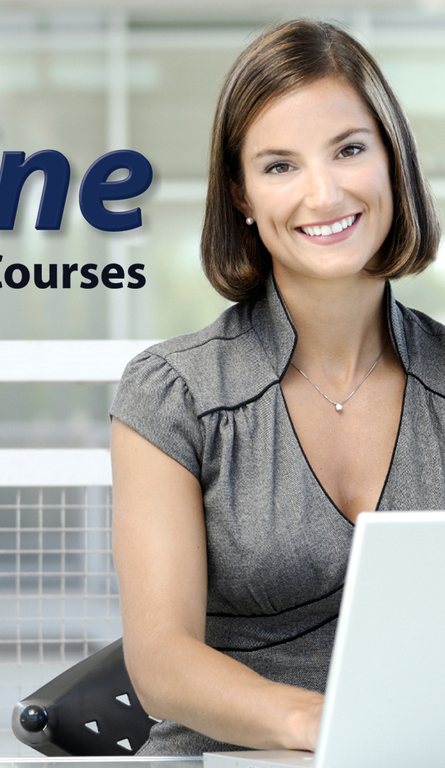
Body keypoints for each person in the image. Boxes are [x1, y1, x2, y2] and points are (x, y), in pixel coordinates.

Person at [109, 18, 443, 756]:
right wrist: (328, 727)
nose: (323, 194)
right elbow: (161, 663)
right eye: (280, 166)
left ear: (392, 161)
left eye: (350, 150)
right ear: (242, 197)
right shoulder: (173, 394)